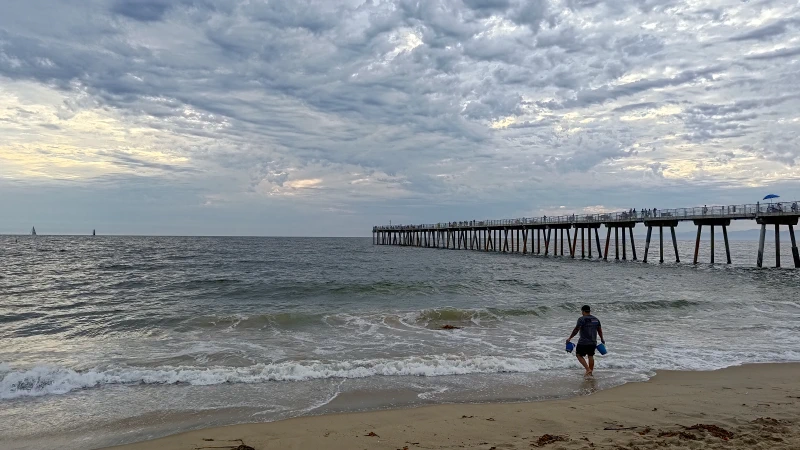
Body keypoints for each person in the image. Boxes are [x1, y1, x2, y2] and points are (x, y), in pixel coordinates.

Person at [566, 305, 604, 377]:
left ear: (583, 311)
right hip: (593, 341)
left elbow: (576, 329)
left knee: (578, 355)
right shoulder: (596, 319)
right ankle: (590, 372)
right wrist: (602, 339)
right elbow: (600, 331)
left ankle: (588, 369)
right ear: (589, 311)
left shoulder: (581, 319)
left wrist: (570, 338)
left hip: (583, 342)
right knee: (590, 356)